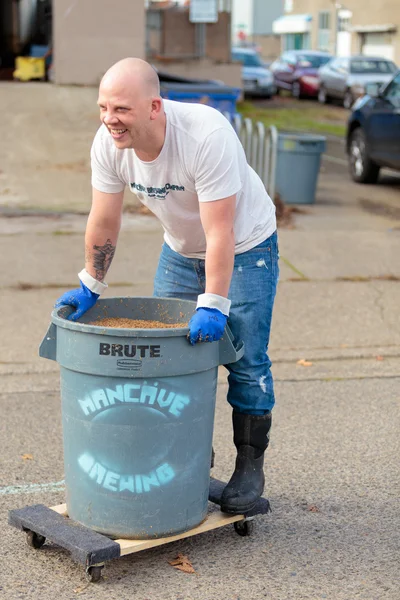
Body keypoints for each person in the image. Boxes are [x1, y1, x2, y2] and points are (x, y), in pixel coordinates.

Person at [55, 57, 279, 515]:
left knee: (245, 358)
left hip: (246, 247)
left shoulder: (206, 135)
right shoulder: (108, 143)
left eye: (121, 109)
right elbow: (105, 216)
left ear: (155, 106)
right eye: (103, 107)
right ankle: (188, 453)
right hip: (179, 251)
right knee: (168, 356)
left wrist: (214, 303)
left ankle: (249, 466)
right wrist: (90, 282)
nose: (109, 119)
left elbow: (220, 230)